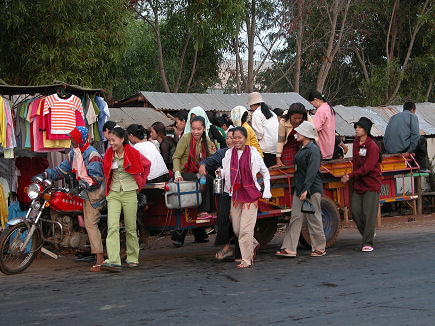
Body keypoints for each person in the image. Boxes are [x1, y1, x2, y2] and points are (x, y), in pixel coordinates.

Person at [40, 127, 106, 272]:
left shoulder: (92, 155)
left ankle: (100, 259)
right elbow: (61, 171)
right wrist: (44, 175)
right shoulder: (74, 154)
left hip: (93, 194)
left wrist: (80, 186)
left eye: (74, 139)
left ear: (81, 139)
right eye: (71, 139)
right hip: (81, 192)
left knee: (90, 224)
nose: (72, 142)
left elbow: (96, 178)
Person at [101, 127, 151, 272]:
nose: (111, 143)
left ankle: (133, 258)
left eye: (113, 140)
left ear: (122, 139)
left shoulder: (133, 153)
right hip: (114, 193)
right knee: (112, 226)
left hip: (130, 193)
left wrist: (140, 183)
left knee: (130, 227)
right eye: (109, 140)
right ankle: (114, 260)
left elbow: (146, 165)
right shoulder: (108, 154)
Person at [222, 126, 271, 269]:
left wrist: (266, 191)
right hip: (236, 195)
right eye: (233, 137)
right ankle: (253, 243)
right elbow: (226, 174)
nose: (236, 140)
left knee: (245, 231)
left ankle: (246, 259)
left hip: (250, 195)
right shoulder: (228, 155)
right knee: (237, 229)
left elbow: (265, 173)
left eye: (239, 137)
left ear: (245, 138)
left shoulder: (254, 153)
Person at [275, 121, 326, 258]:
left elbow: (312, 172)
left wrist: (305, 189)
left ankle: (319, 247)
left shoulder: (313, 150)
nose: (296, 134)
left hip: (311, 189)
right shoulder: (303, 148)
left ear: (305, 134)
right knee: (296, 217)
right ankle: (290, 248)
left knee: (313, 218)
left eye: (299, 132)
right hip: (301, 189)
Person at [198, 129, 241, 261]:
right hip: (226, 192)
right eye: (227, 138)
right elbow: (208, 161)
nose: (229, 140)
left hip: (240, 192)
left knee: (239, 222)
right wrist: (203, 165)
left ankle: (241, 253)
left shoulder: (244, 153)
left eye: (232, 138)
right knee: (221, 218)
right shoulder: (222, 153)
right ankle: (226, 247)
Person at [171, 116, 214, 246]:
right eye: (194, 129)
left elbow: (212, 157)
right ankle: (202, 211)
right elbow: (176, 157)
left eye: (199, 129)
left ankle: (210, 210)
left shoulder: (205, 140)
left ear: (204, 128)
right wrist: (177, 173)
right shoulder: (185, 138)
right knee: (203, 179)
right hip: (183, 172)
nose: (196, 132)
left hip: (197, 172)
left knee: (210, 179)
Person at [341, 117, 381, 252]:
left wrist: (350, 176)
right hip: (358, 183)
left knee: (368, 213)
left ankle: (368, 241)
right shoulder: (356, 142)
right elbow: (355, 162)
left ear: (366, 130)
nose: (356, 129)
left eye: (359, 127)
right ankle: (368, 233)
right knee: (356, 212)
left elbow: (367, 168)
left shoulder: (372, 146)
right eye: (356, 127)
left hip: (371, 183)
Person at [383, 101, 429, 171]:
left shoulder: (393, 117)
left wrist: (388, 149)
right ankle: (422, 167)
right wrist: (409, 151)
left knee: (413, 141)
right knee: (421, 140)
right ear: (413, 110)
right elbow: (415, 135)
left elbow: (385, 137)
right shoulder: (412, 116)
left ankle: (413, 164)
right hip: (402, 148)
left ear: (403, 109)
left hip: (389, 149)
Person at [249, 92, 279, 167]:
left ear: (253, 105)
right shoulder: (272, 113)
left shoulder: (256, 113)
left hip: (265, 149)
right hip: (275, 147)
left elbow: (259, 133)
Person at [273, 102, 307, 168]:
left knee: (304, 166)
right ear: (290, 116)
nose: (297, 121)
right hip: (289, 145)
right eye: (295, 118)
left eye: (299, 118)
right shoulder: (283, 121)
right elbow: (281, 141)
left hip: (304, 145)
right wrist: (278, 159)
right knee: (287, 166)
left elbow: (314, 135)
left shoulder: (307, 118)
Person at [308, 90, 336, 160]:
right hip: (329, 146)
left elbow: (315, 128)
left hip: (322, 146)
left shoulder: (321, 110)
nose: (313, 106)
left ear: (316, 100)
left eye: (312, 103)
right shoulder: (329, 108)